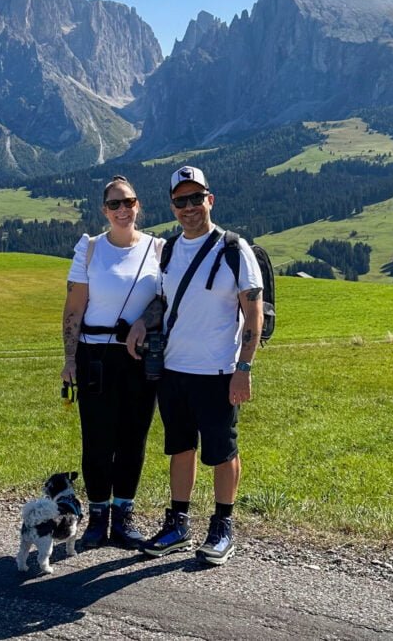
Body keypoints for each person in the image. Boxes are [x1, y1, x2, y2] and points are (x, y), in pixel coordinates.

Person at [127, 165, 264, 566]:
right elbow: (163, 301)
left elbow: (253, 315)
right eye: (180, 200)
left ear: (210, 199)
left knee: (222, 451)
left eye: (195, 198)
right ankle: (179, 522)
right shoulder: (168, 250)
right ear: (172, 205)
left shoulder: (235, 250)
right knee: (180, 447)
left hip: (219, 372)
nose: (188, 207)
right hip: (173, 370)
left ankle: (222, 527)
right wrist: (141, 322)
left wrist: (244, 368)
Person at [62, 175, 162, 549]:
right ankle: (97, 518)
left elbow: (165, 301)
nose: (123, 209)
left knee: (134, 439)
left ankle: (123, 517)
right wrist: (70, 359)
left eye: (129, 202)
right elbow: (73, 309)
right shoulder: (89, 249)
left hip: (140, 356)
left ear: (139, 205)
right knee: (98, 440)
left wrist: (143, 322)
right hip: (95, 357)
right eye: (115, 204)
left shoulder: (158, 250)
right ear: (104, 210)